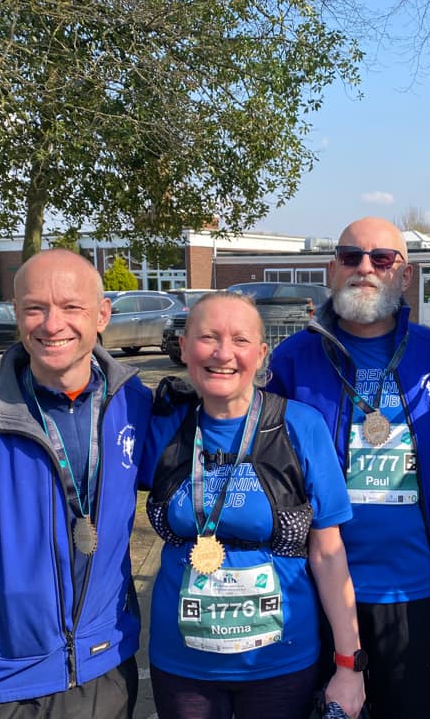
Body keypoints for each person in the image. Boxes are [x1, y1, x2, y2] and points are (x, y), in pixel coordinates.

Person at [0, 249, 153, 718]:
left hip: (106, 665)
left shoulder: (134, 403)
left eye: (71, 307)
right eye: (35, 308)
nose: (51, 323)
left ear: (102, 314)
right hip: (5, 683)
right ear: (16, 313)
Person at [267, 217, 430, 719]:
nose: (364, 268)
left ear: (406, 274)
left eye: (382, 258)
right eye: (350, 257)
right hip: (315, 585)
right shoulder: (292, 359)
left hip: (410, 586)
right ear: (332, 269)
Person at [142, 291, 365, 719]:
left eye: (240, 340)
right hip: (183, 665)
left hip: (281, 663)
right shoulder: (162, 421)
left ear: (262, 354)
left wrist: (348, 665)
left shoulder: (301, 425)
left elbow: (329, 553)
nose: (223, 353)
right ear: (184, 347)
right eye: (208, 337)